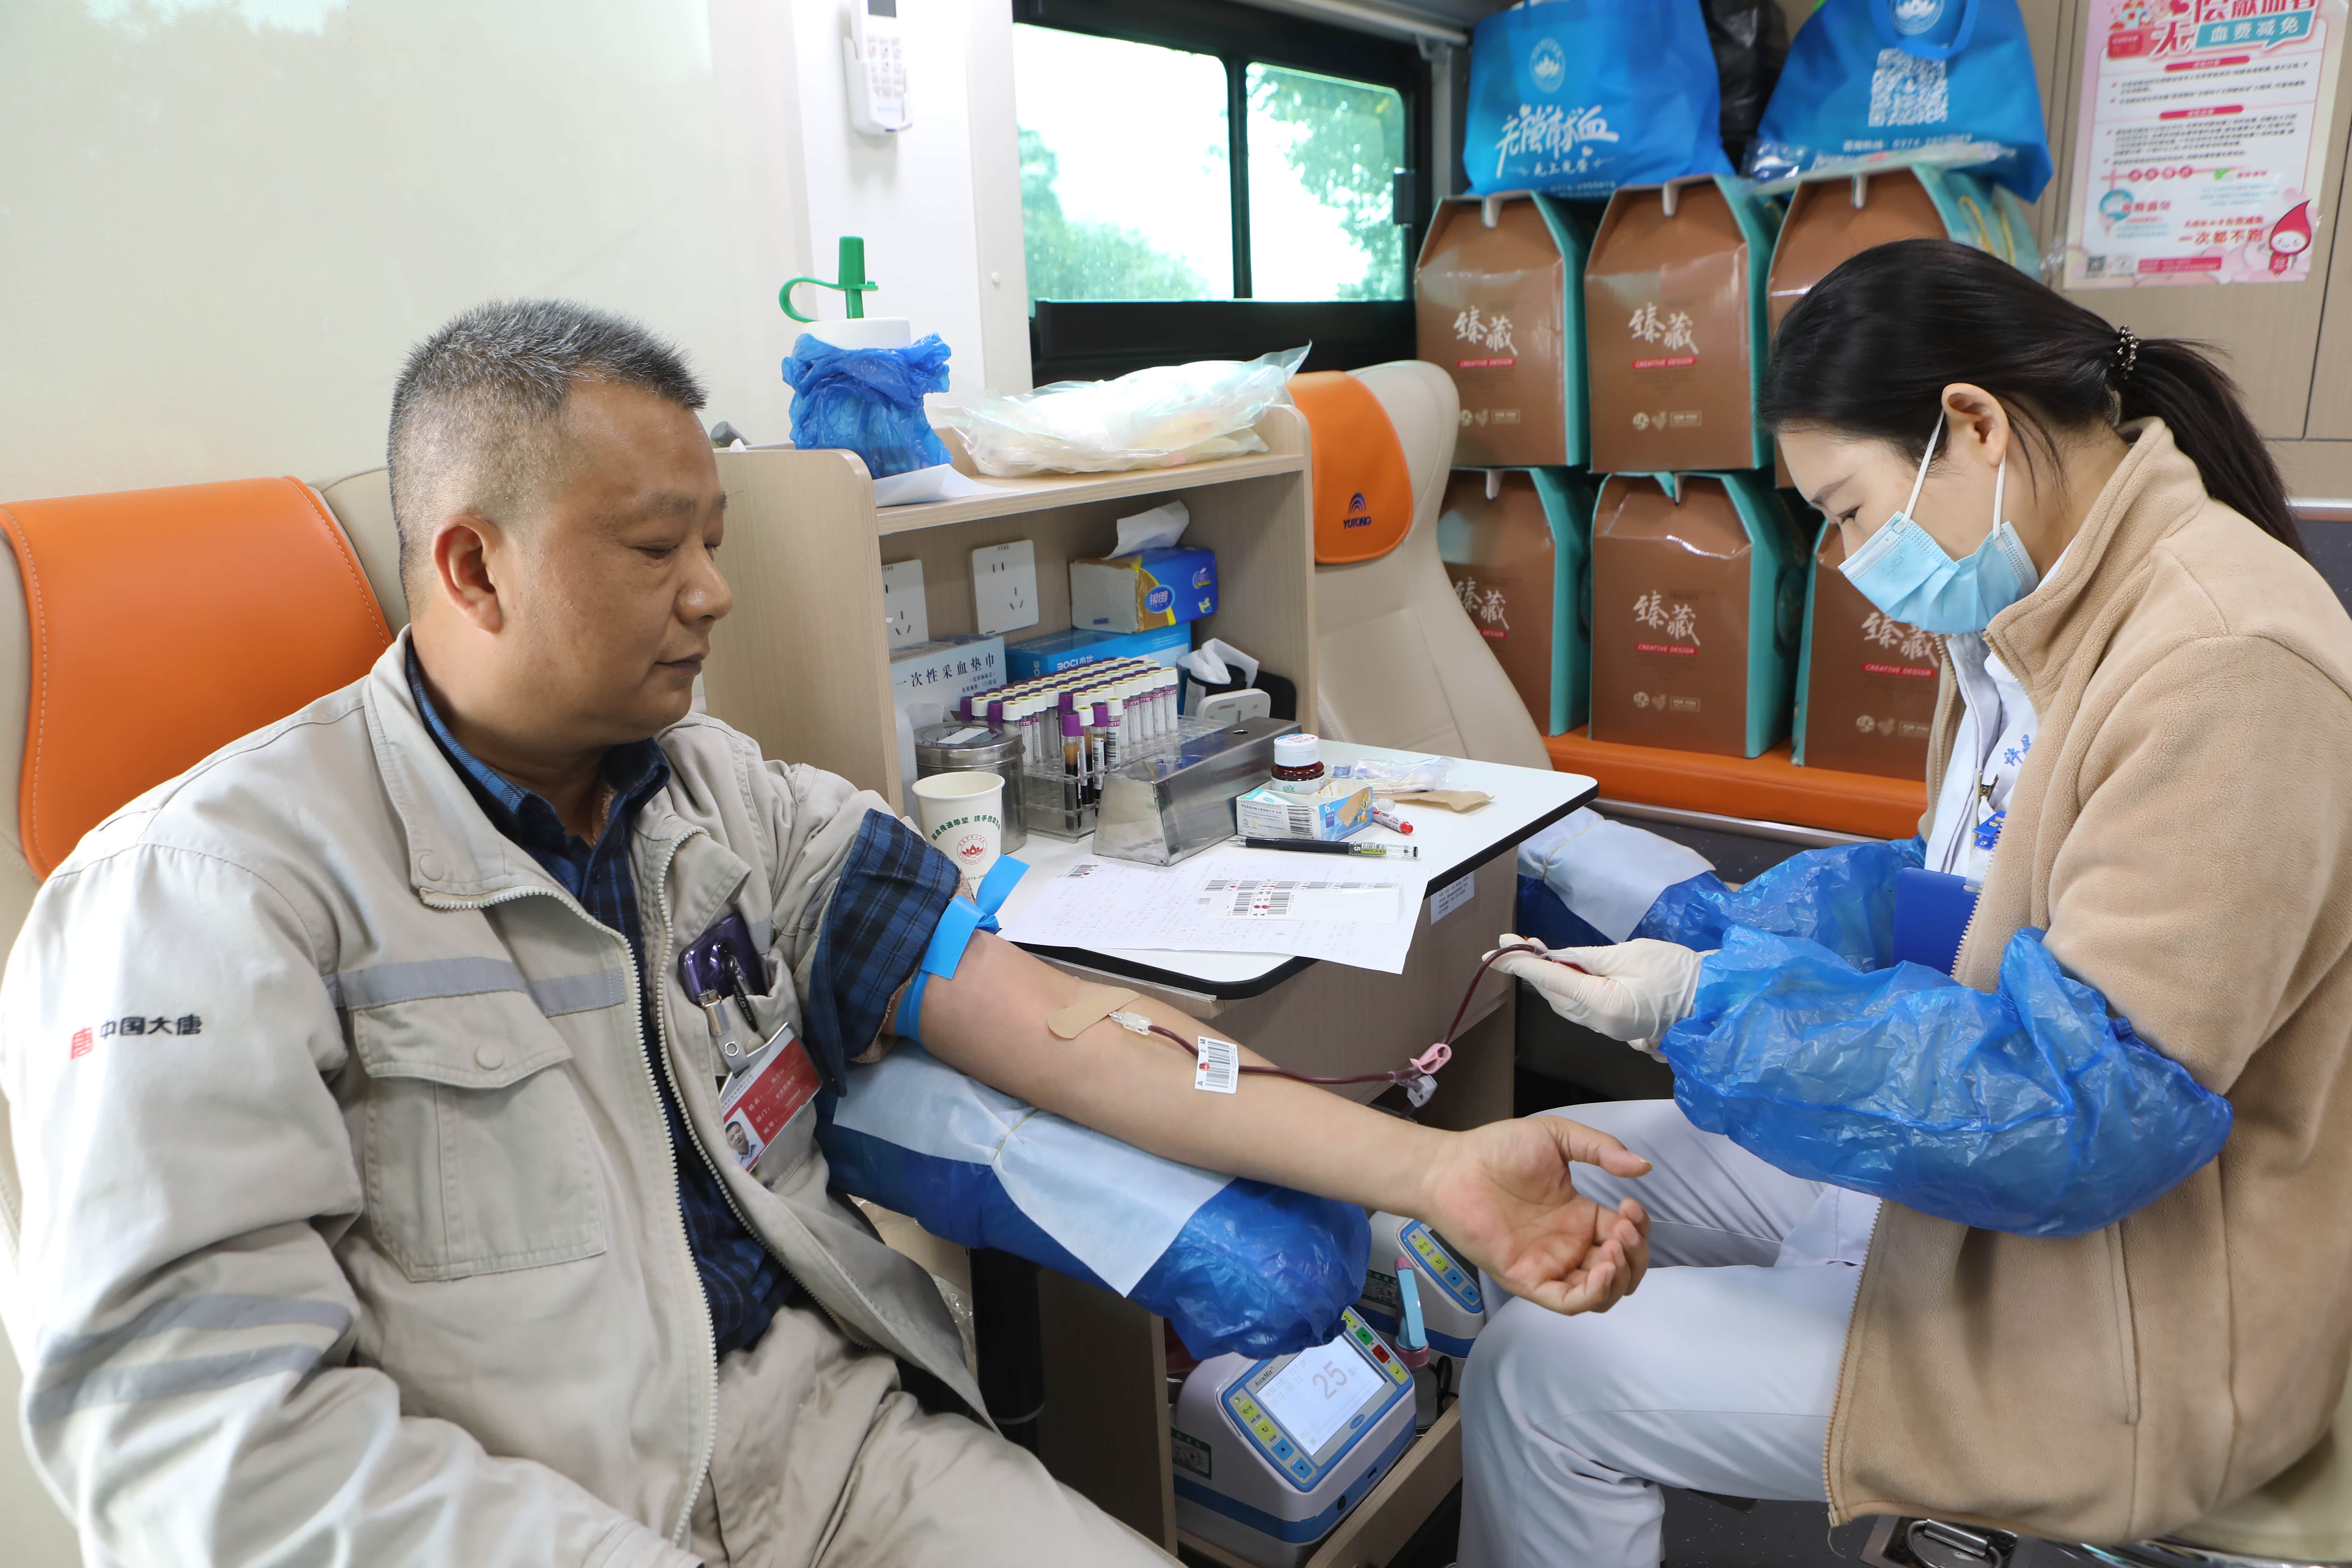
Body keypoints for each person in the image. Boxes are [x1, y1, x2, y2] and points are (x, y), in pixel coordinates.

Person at [0, 300, 1654, 1568]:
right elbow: (201, 1441)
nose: (714, 592)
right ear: (473, 566)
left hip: (834, 1446)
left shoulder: (724, 800)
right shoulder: (209, 894)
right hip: (544, 1510)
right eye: (657, 548)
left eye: (718, 541)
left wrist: (1435, 1172)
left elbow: (1053, 1028)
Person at [1464, 238, 2352, 1567]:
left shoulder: (2224, 666)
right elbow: (1974, 894)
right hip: (1985, 1193)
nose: (1844, 558)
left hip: (2126, 1304)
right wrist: (1721, 932)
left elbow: (2087, 1112)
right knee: (1531, 1173)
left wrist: (1715, 1009)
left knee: (1540, 1376)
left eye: (1848, 511)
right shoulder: (2030, 613)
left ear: (1973, 426)